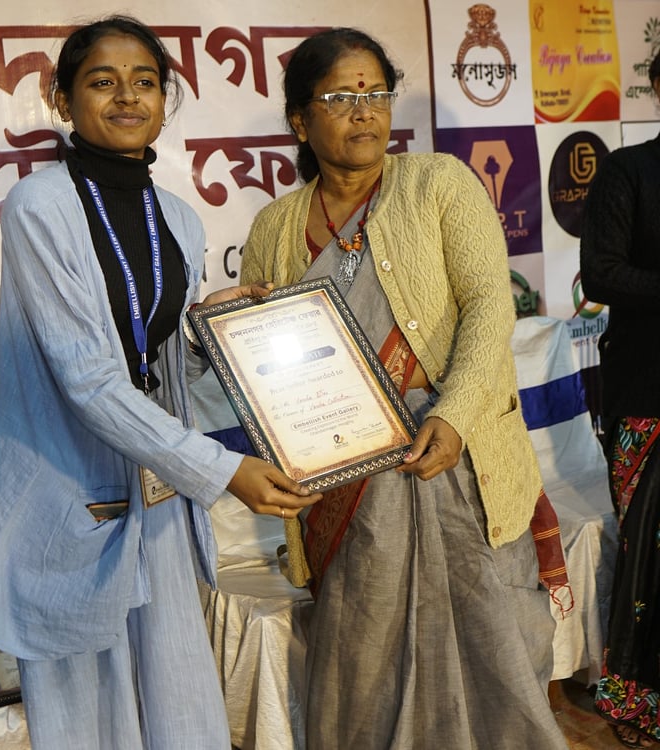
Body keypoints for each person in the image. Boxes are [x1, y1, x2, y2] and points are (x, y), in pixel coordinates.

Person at [0, 15, 320, 750]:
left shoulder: (178, 219)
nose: (127, 97)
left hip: (154, 495)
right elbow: (89, 381)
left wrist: (207, 333)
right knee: (85, 719)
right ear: (62, 100)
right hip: (64, 493)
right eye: (103, 81)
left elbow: (157, 366)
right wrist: (223, 472)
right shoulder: (39, 207)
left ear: (164, 98)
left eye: (145, 82)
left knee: (176, 699)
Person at [240, 27, 569, 749]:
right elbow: (265, 361)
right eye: (339, 97)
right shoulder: (274, 227)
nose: (364, 111)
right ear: (300, 120)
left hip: (458, 460)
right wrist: (229, 324)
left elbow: (489, 306)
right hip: (346, 484)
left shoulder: (439, 183)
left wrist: (453, 416)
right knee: (363, 658)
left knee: (495, 649)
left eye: (376, 93)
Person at [580, 51, 660, 750]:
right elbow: (601, 273)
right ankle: (644, 695)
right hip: (649, 392)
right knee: (649, 555)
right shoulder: (628, 171)